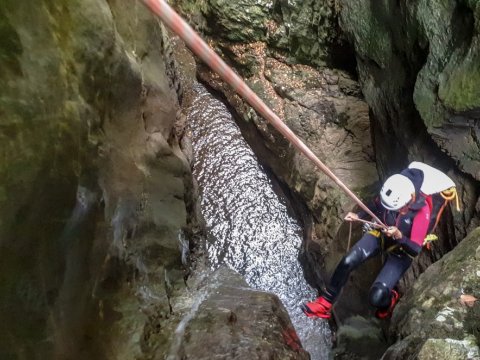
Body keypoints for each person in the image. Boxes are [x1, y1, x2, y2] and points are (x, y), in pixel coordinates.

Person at [301, 167, 431, 319]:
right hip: (381, 235)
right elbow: (375, 205)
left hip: (401, 252)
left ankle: (389, 300)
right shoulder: (391, 191)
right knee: (348, 260)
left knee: (377, 297)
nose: (392, 209)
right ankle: (325, 303)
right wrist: (358, 215)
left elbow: (415, 249)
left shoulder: (422, 212)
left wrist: (399, 235)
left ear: (409, 200)